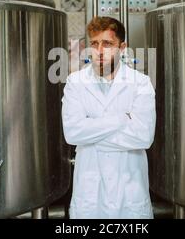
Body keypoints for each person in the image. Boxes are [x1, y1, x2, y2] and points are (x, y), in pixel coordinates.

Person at [61, 16, 156, 219]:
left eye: (108, 43)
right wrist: (122, 119)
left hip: (129, 192)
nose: (100, 51)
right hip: (90, 194)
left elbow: (143, 136)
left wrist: (92, 134)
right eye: (95, 43)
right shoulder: (75, 82)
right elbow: (72, 133)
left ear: (122, 48)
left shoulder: (140, 83)